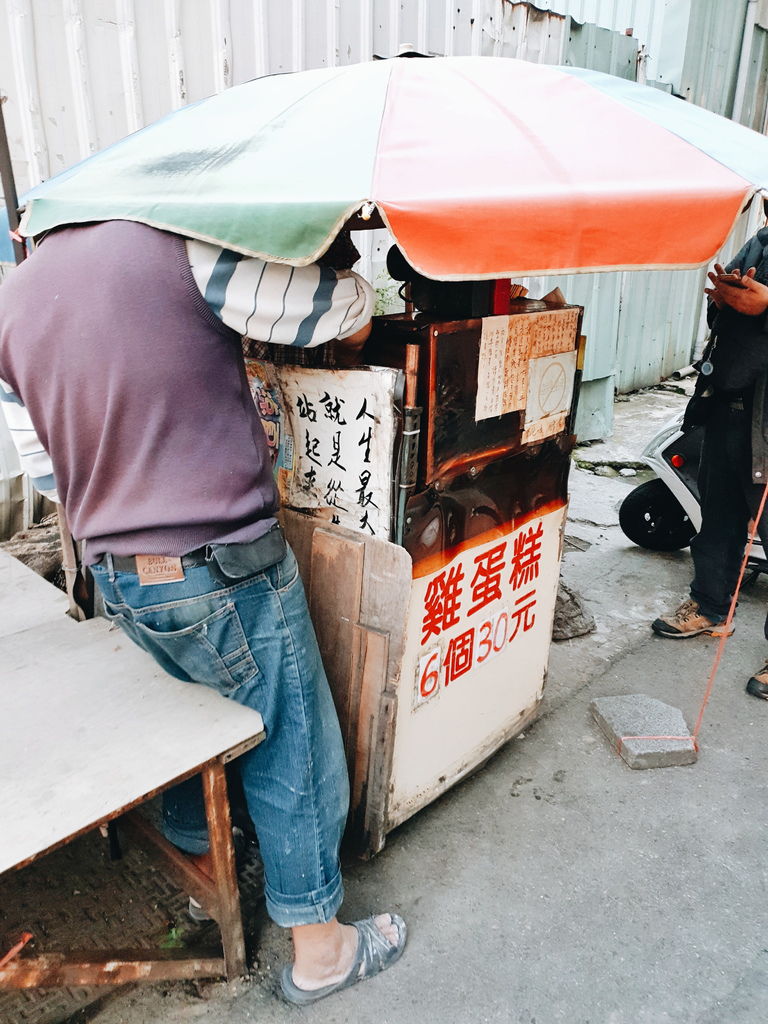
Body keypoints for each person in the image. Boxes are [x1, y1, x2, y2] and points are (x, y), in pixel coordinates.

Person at [0, 219, 407, 1004]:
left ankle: (197, 871)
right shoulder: (174, 250)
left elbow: (47, 474)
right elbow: (340, 313)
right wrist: (339, 256)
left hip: (123, 575)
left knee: (190, 714)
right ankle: (320, 950)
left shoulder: (9, 304)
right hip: (222, 566)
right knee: (290, 739)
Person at [651, 226, 768, 700]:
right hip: (730, 405)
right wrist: (723, 299)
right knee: (718, 515)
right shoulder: (761, 240)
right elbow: (725, 308)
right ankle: (709, 605)